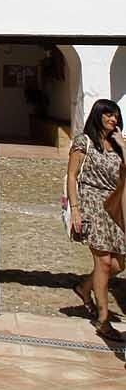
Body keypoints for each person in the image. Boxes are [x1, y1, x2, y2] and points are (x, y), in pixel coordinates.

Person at [68, 99, 126, 339]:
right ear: (98, 115)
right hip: (92, 203)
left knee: (119, 264)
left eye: (116, 115)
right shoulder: (85, 142)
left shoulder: (118, 143)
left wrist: (122, 146)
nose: (113, 119)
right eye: (108, 115)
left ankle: (85, 287)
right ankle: (103, 320)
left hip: (115, 205)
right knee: (103, 263)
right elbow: (71, 176)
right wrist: (75, 209)